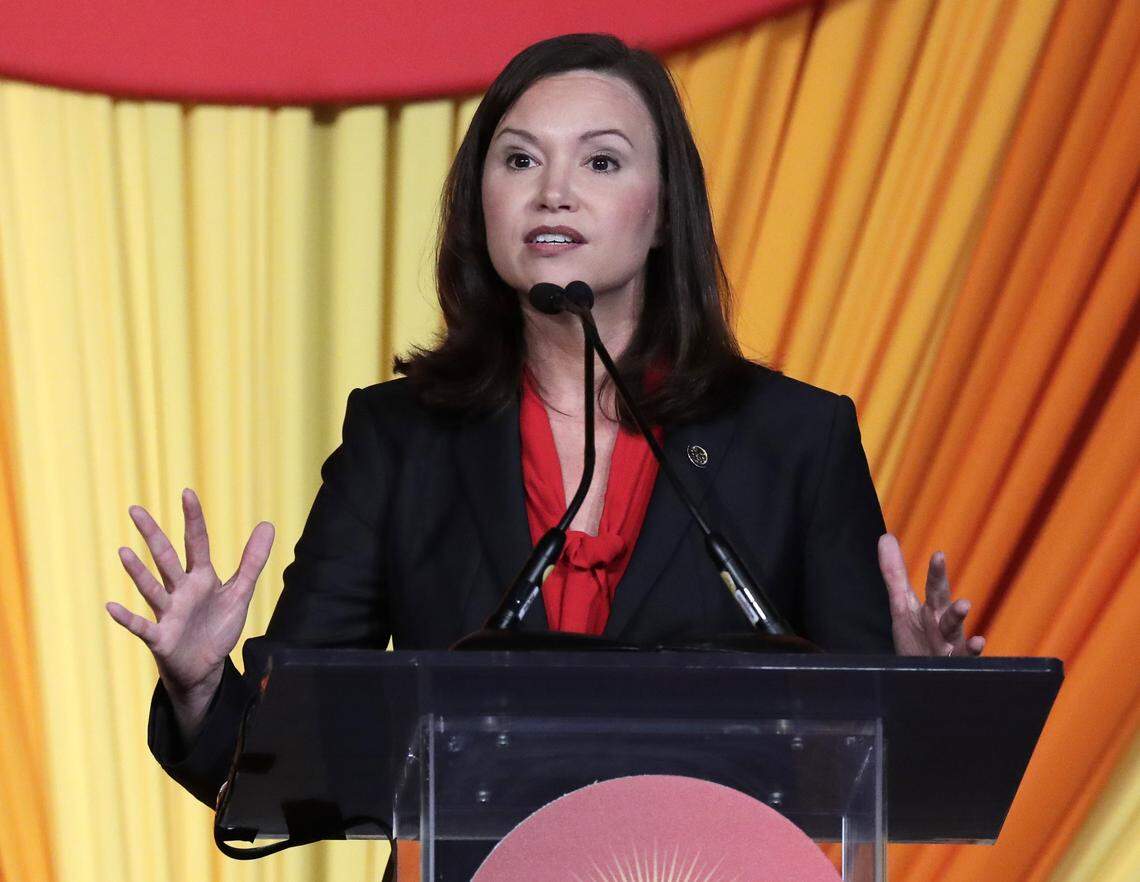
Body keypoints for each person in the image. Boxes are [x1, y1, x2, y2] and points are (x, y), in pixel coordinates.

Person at [105, 33, 984, 810]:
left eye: (601, 162)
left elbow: (875, 773)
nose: (553, 192)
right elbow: (296, 755)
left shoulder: (794, 438)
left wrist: (923, 699)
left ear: (665, 213)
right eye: (520, 161)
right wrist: (199, 685)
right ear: (478, 203)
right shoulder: (401, 438)